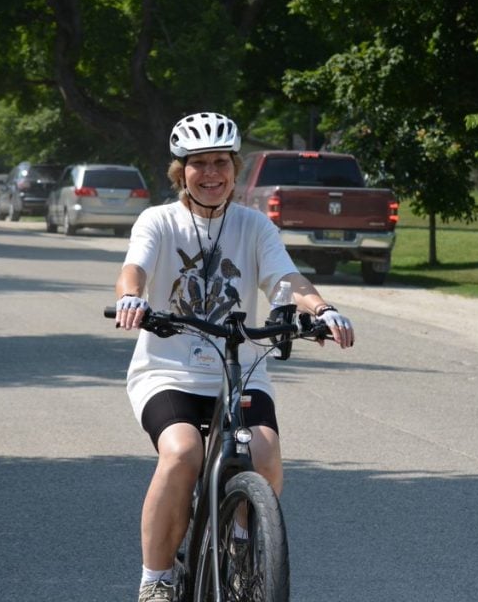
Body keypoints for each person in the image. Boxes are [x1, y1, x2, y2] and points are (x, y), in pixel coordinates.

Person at [113, 112, 355, 602]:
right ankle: (156, 579)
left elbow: (285, 279)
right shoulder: (158, 220)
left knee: (263, 455)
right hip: (168, 371)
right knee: (183, 452)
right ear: (181, 171)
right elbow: (134, 267)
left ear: (234, 167)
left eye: (220, 162)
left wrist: (321, 309)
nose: (211, 173)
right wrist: (131, 298)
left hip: (239, 369)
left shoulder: (254, 225)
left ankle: (241, 541)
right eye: (199, 163)